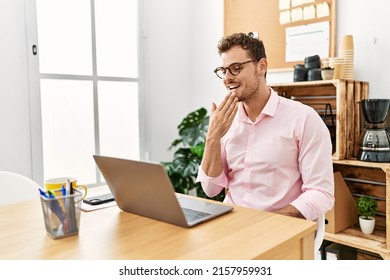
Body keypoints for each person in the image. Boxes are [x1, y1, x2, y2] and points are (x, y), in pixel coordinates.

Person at [196, 32, 334, 221]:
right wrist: (212, 137)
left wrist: (265, 223)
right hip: (232, 225)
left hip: (279, 228)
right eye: (223, 70)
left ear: (261, 66)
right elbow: (211, 190)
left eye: (236, 68)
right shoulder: (224, 121)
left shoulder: (303, 118)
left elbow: (320, 193)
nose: (227, 78)